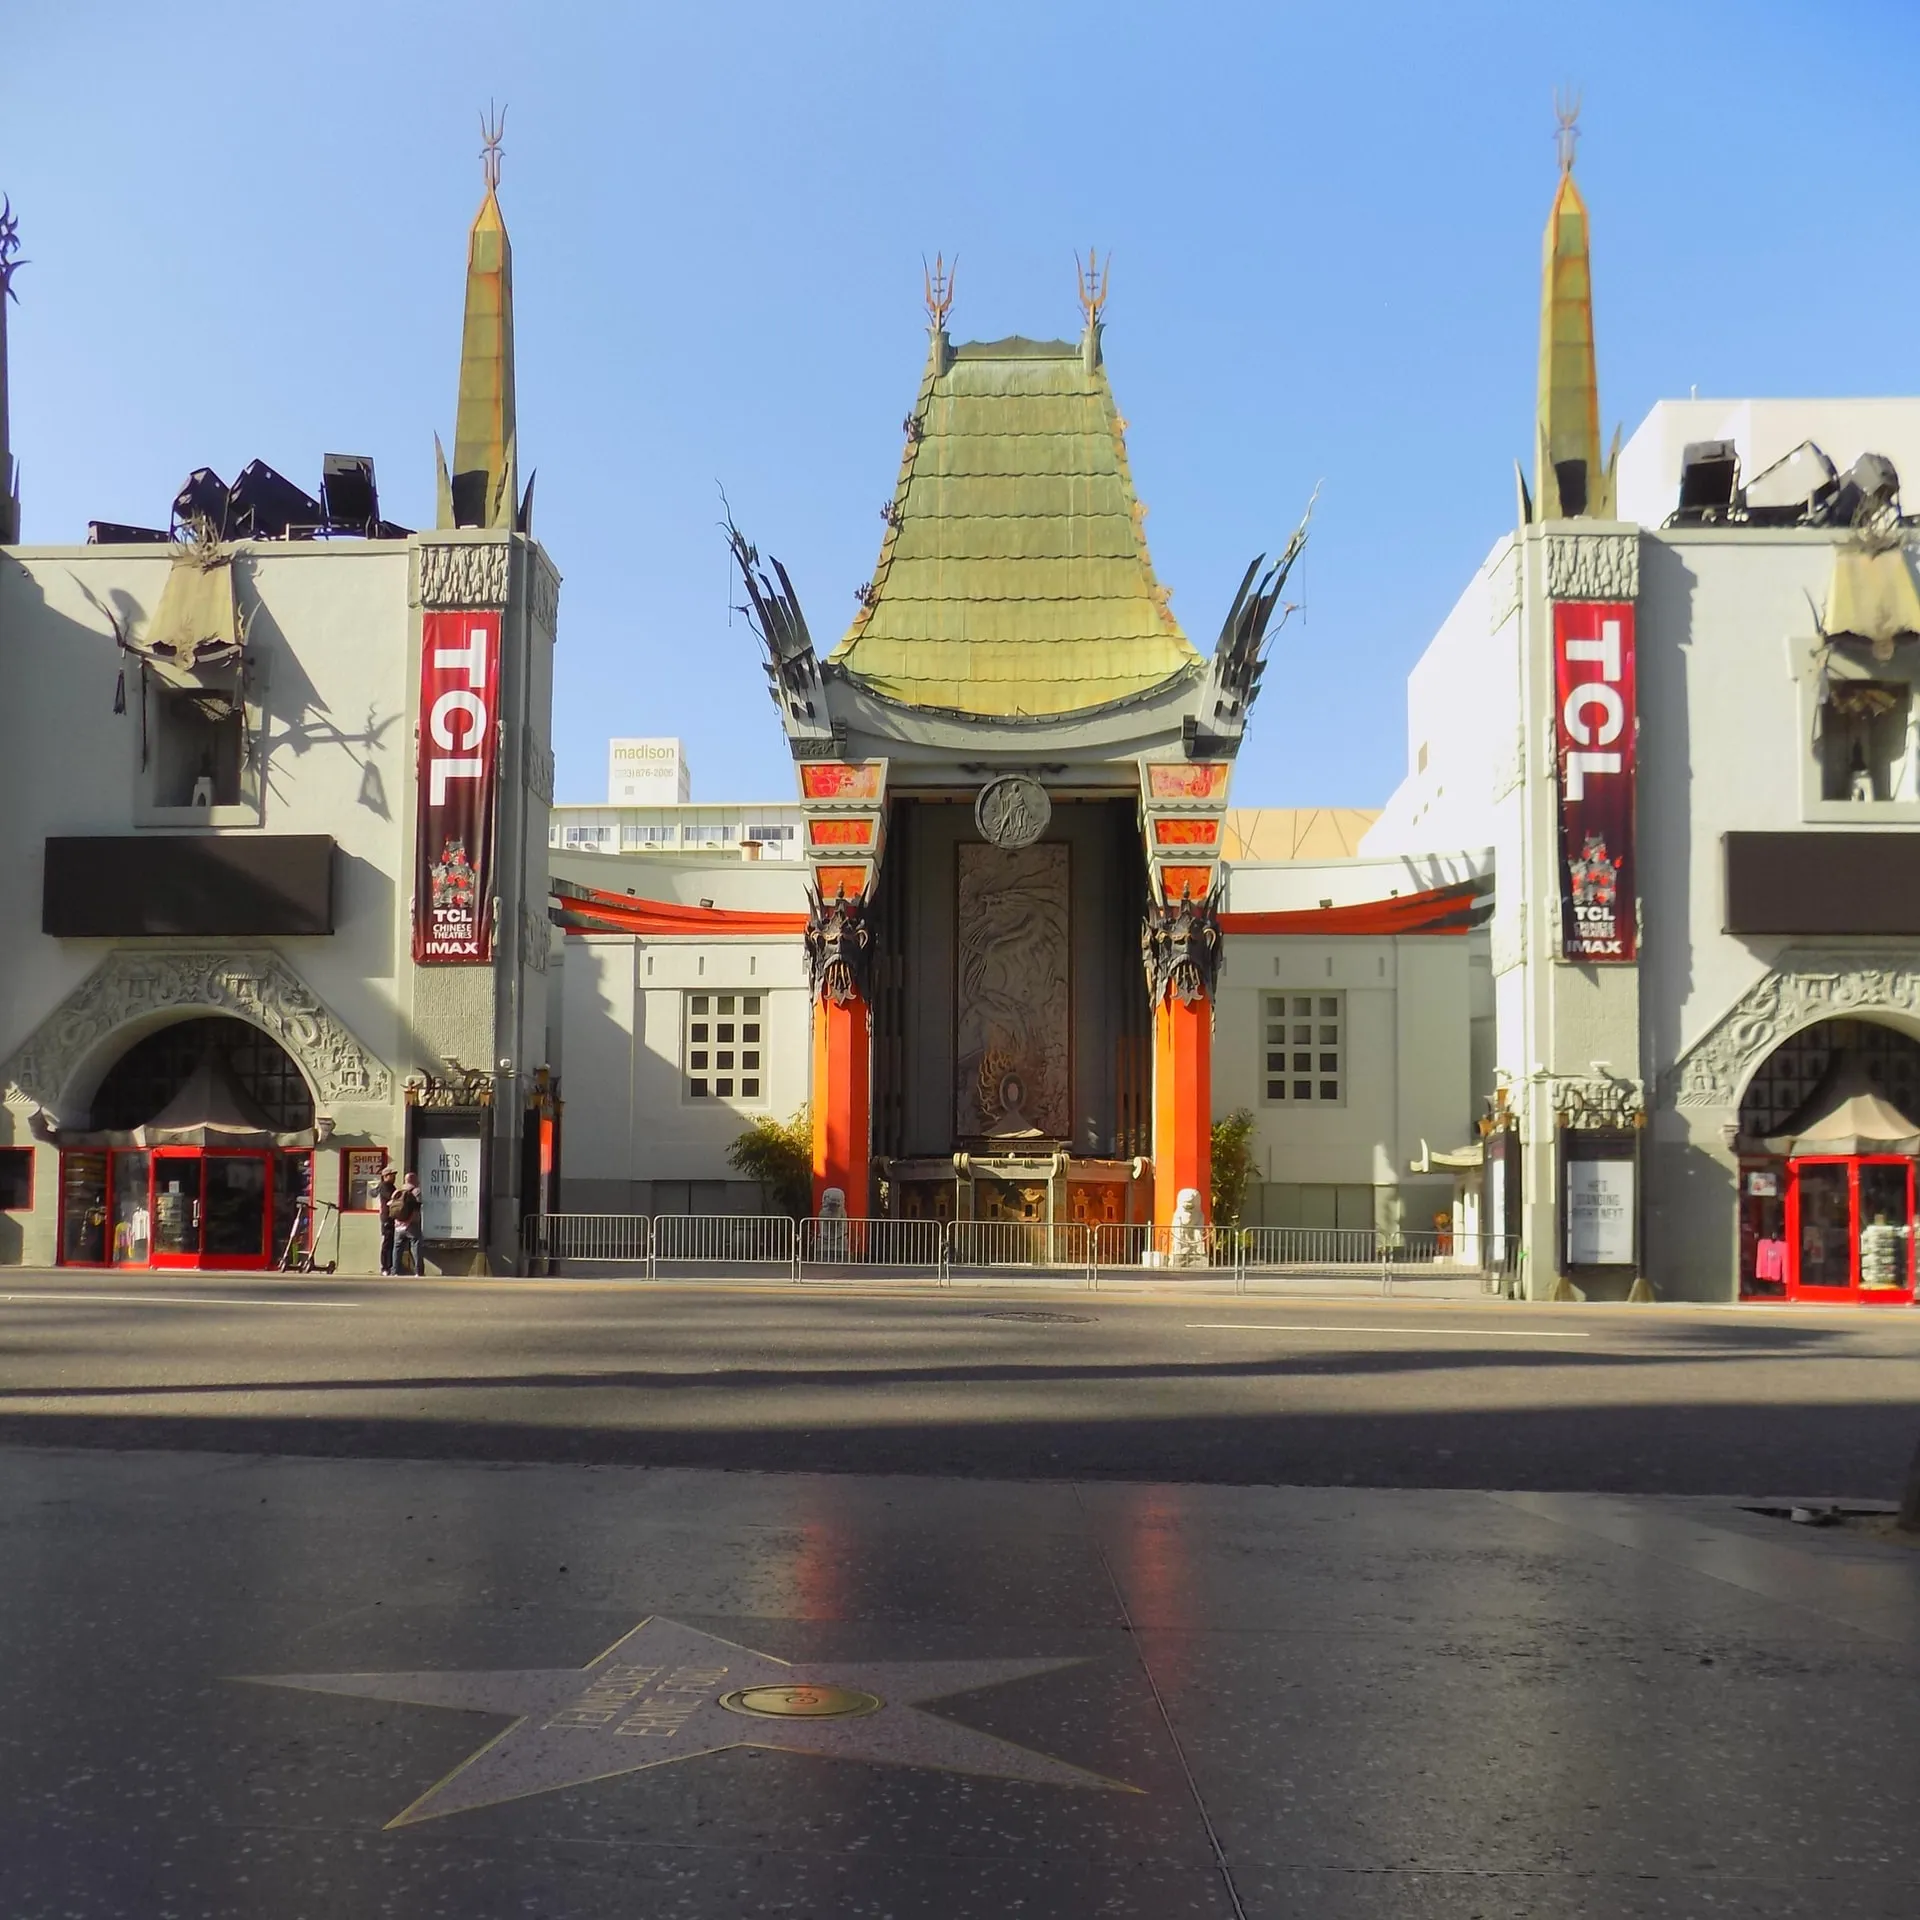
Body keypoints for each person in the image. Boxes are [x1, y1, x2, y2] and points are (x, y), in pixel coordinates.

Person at [391, 1171, 424, 1277]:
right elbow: (417, 1207)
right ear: (414, 1180)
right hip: (411, 1224)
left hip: (398, 1225)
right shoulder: (416, 1191)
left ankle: (395, 1271)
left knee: (397, 1247)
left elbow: (391, 1205)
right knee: (416, 1246)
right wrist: (412, 1219)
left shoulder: (397, 1191)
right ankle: (418, 1271)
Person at [375, 1165, 398, 1275]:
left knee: (392, 1242)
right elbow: (392, 1198)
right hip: (386, 1218)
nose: (394, 1177)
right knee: (387, 1243)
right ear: (385, 1176)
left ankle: (390, 1265)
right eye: (392, 1175)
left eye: (394, 1175)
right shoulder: (384, 1186)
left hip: (392, 1217)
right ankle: (384, 1267)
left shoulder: (392, 1186)